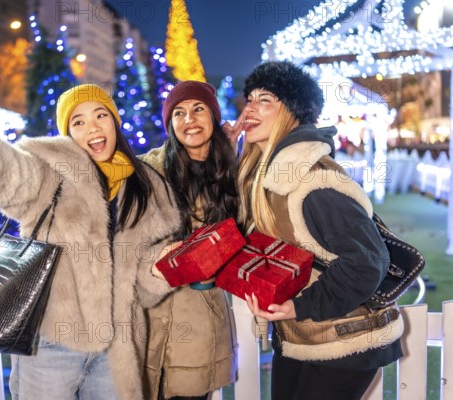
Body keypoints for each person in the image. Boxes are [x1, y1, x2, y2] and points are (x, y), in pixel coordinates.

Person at [0, 53, 183, 400]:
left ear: (114, 122)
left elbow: (146, 284)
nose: (93, 128)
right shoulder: (51, 173)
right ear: (68, 134)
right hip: (53, 345)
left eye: (101, 115)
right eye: (78, 122)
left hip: (118, 348)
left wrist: (165, 265)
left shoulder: (146, 186)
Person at [236, 61, 403, 400]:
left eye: (264, 99)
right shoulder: (265, 178)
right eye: (249, 98)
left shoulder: (313, 180)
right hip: (303, 337)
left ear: (292, 113)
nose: (249, 108)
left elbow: (367, 261)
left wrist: (299, 305)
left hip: (346, 341)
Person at [140, 81, 239, 400]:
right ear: (170, 125)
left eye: (199, 109)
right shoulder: (147, 173)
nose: (189, 119)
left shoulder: (231, 174)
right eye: (179, 113)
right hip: (149, 320)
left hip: (198, 325)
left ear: (213, 115)